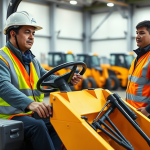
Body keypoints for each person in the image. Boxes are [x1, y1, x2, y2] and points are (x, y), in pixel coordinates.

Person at [0, 11, 83, 150]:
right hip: (10, 115)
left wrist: (68, 79)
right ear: (13, 34)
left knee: (63, 120)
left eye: (33, 33)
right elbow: (3, 86)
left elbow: (47, 77)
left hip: (30, 112)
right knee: (38, 126)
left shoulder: (31, 60)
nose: (31, 37)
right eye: (27, 32)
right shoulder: (2, 58)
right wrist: (30, 103)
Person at [126, 20, 150, 118]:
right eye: (137, 33)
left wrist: (148, 110)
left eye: (142, 33)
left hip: (145, 114)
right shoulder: (139, 58)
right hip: (134, 113)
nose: (138, 36)